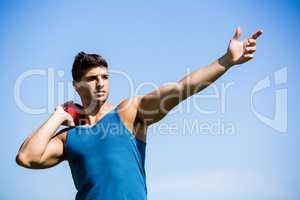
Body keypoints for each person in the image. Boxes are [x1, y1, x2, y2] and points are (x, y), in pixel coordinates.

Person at [15, 27, 262, 200]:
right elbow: (26, 157)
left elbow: (180, 89)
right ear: (76, 85)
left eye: (105, 77)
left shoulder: (128, 112)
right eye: (92, 79)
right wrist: (58, 115)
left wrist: (226, 61)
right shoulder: (70, 137)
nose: (101, 83)